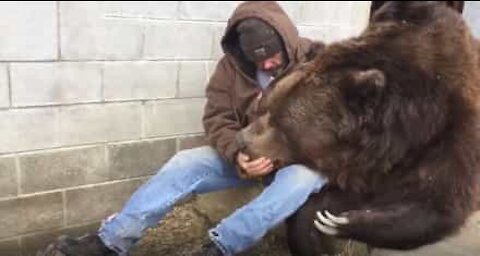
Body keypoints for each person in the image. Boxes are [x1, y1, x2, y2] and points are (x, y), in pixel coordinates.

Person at [41, 1, 327, 256]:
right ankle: (111, 241)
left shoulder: (320, 64)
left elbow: (334, 126)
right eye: (257, 58)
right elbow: (217, 119)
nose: (266, 64)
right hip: (247, 157)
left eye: (273, 55)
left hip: (299, 162)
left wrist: (282, 155)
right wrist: (238, 153)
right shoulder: (230, 69)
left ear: (287, 39)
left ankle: (221, 246)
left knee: (303, 179)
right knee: (186, 162)